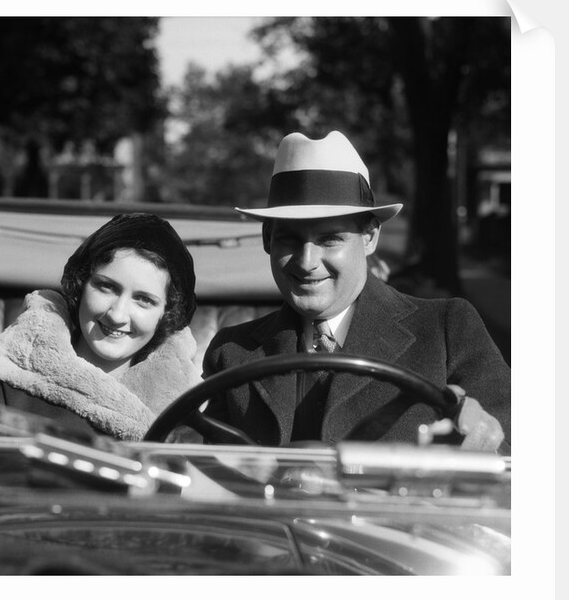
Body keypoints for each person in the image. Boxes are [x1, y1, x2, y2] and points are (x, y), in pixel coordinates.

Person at [202, 130, 510, 453]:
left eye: (329, 239)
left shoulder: (447, 331)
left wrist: (481, 441)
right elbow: (198, 467)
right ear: (267, 239)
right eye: (289, 239)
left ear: (369, 237)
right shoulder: (232, 353)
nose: (307, 262)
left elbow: (513, 449)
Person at [0, 212, 200, 441]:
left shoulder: (183, 413)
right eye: (106, 287)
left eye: (144, 300)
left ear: (167, 314)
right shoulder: (5, 381)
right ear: (81, 284)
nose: (117, 315)